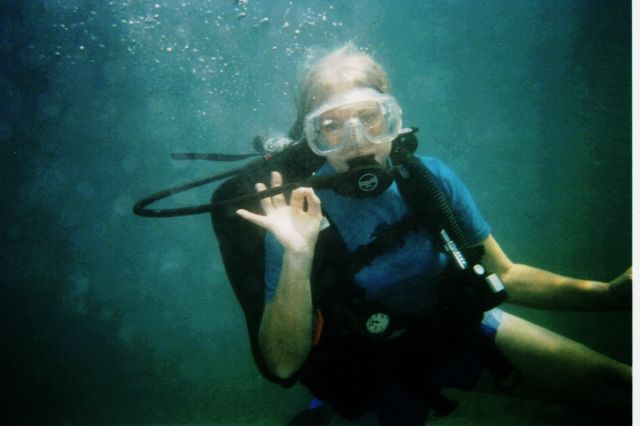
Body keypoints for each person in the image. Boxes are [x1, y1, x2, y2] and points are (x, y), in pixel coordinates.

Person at [234, 44, 631, 425]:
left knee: (622, 386)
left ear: (394, 119)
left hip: (453, 333)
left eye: (370, 117)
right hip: (369, 373)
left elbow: (505, 275)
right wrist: (297, 258)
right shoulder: (300, 216)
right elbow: (283, 362)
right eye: (331, 126)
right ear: (311, 139)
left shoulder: (428, 179)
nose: (355, 140)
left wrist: (606, 294)